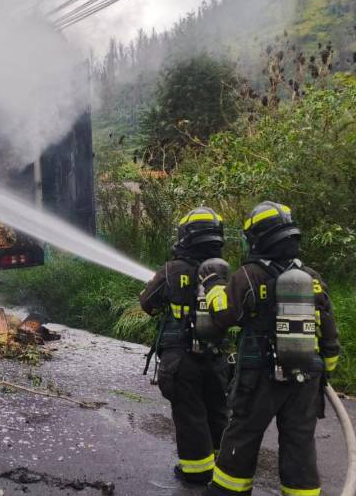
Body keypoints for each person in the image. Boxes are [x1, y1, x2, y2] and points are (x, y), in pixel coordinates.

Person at [200, 201, 340, 496]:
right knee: (299, 440)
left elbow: (224, 315)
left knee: (244, 431)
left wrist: (213, 286)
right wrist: (325, 367)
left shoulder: (250, 275)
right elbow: (327, 325)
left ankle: (228, 491)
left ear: (259, 238)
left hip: (259, 371)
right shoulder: (311, 278)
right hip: (306, 374)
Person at [140, 206, 231, 484]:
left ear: (186, 237)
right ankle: (222, 465)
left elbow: (147, 303)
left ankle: (195, 471)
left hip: (181, 357)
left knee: (190, 412)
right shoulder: (224, 273)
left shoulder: (172, 269)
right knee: (217, 409)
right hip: (216, 356)